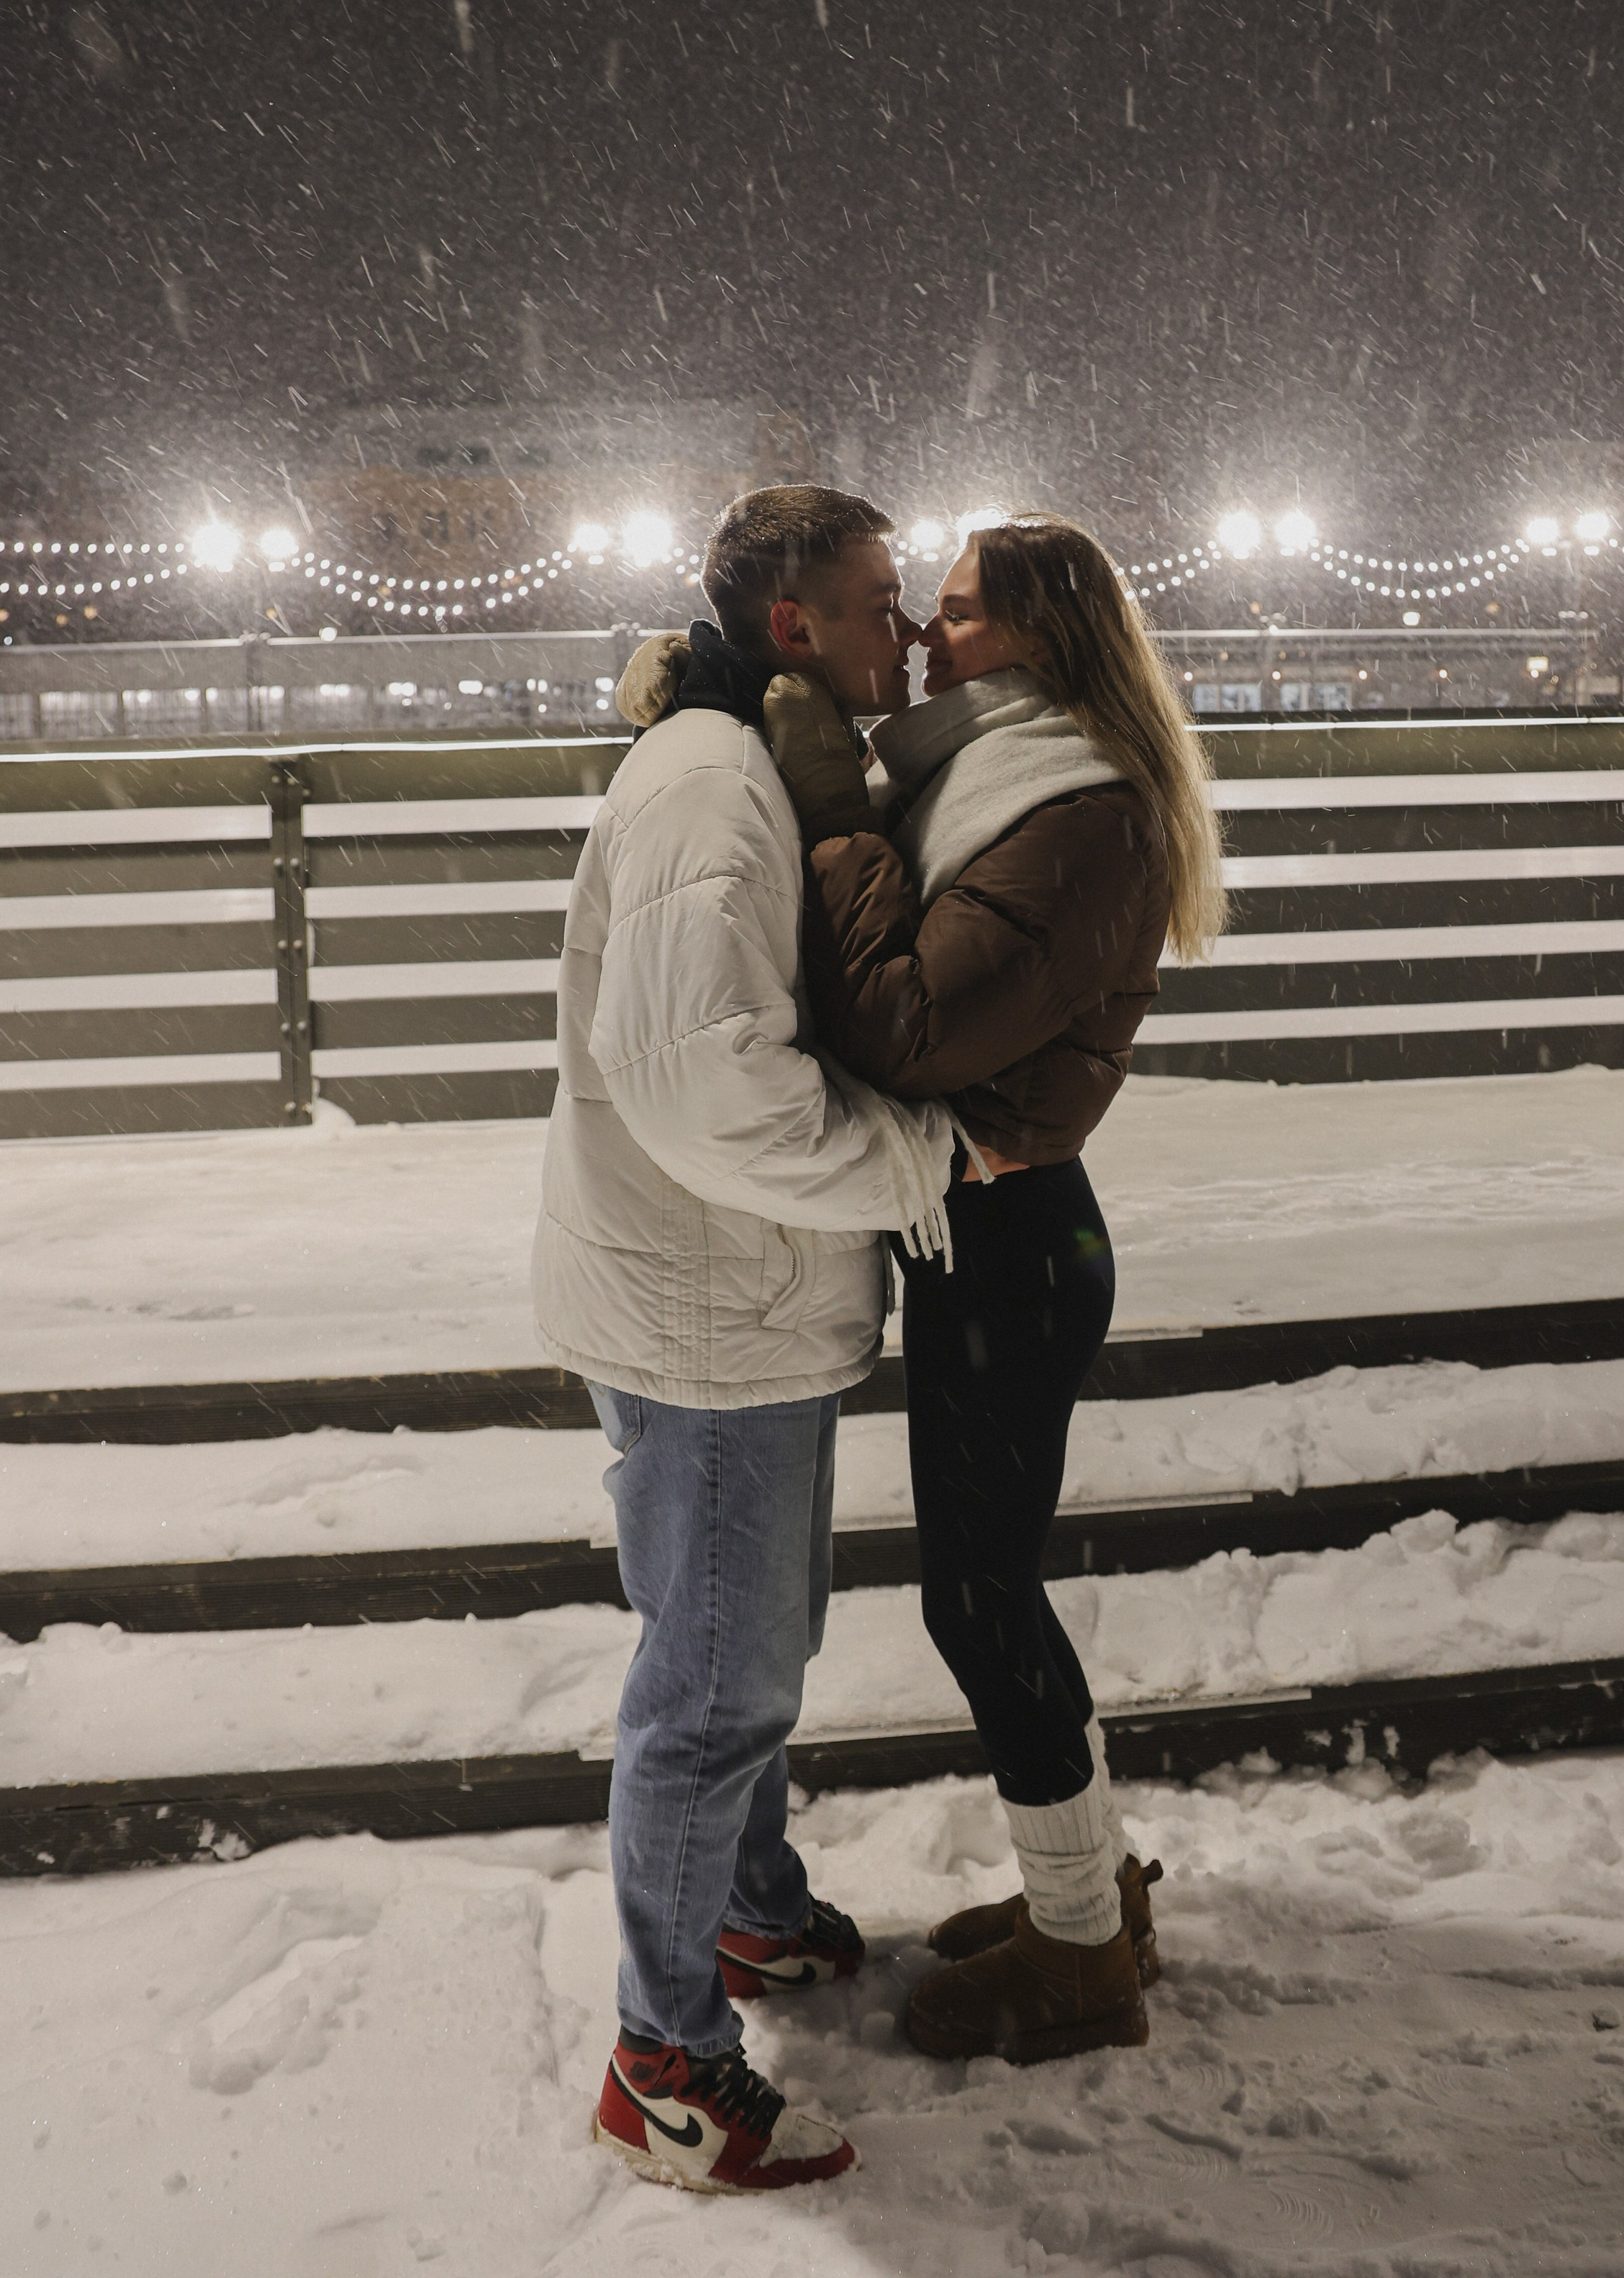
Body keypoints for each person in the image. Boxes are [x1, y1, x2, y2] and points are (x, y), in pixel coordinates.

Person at [759, 513, 1225, 2067]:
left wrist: (837, 826)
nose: (926, 639)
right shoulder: (986, 774)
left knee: (977, 1596)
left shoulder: (1079, 811)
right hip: (987, 1237)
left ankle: (1081, 1952)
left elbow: (904, 1031)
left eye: (955, 615)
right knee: (984, 1587)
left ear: (1038, 637)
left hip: (1016, 1251)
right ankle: (1087, 1897)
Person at [532, 484, 955, 2192]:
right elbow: (707, 1087)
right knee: (712, 1690)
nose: (904, 630)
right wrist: (920, 1157)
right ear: (794, 629)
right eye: (878, 601)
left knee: (741, 1646)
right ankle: (667, 2068)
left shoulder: (735, 756)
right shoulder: (714, 790)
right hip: (712, 1307)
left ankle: (749, 1920)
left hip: (715, 1292)